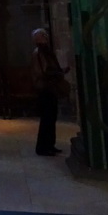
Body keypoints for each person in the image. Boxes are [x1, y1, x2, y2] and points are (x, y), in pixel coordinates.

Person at [31, 27, 68, 156]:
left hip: (51, 87)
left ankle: (50, 144)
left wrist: (60, 71)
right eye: (43, 36)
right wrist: (56, 73)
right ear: (37, 39)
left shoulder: (46, 52)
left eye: (45, 35)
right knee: (46, 118)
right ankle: (42, 147)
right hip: (45, 88)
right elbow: (41, 71)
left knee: (52, 117)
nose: (45, 37)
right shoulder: (38, 53)